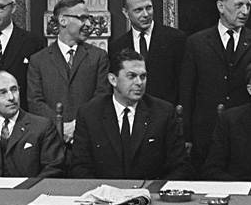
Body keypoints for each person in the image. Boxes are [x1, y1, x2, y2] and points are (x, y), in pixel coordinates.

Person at [179, 0, 251, 167]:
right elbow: (187, 92)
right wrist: (187, 135)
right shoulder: (196, 43)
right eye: (239, 5)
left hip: (248, 133)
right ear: (221, 6)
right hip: (206, 134)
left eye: (248, 6)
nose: (245, 11)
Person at [68, 49, 191, 179]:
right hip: (103, 190)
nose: (139, 83)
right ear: (113, 79)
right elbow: (80, 167)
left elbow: (180, 166)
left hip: (149, 190)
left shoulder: (163, 112)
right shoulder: (90, 114)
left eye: (143, 76)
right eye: (131, 76)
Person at [26, 0, 110, 143]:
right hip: (51, 141)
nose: (88, 24)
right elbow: (35, 102)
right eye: (82, 18)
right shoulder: (38, 60)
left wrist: (77, 126)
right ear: (63, 20)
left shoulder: (99, 57)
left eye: (89, 18)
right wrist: (60, 126)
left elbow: (102, 97)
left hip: (88, 139)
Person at [107, 0, 186, 104]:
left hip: (167, 111)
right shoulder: (117, 47)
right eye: (138, 10)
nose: (145, 14)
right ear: (126, 13)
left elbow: (185, 84)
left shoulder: (176, 39)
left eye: (148, 8)